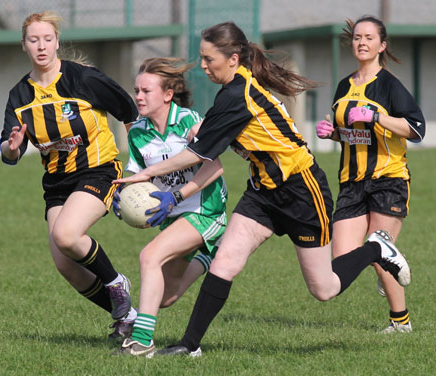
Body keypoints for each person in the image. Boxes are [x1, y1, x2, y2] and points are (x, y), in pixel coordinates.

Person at [114, 21, 411, 357]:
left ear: (233, 58)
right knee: (224, 261)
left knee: (324, 288)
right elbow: (205, 143)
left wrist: (145, 175)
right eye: (201, 58)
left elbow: (197, 154)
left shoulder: (237, 95)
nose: (203, 66)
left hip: (302, 189)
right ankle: (189, 345)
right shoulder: (230, 92)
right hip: (262, 191)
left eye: (209, 58)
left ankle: (377, 249)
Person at [0, 11, 139, 342]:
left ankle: (118, 283)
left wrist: (138, 165)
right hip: (57, 183)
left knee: (66, 234)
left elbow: (129, 112)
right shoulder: (19, 97)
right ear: (24, 45)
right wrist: (12, 146)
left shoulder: (83, 79)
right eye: (34, 40)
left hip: (98, 169)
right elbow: (10, 153)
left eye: (48, 39)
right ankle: (129, 316)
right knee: (65, 263)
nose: (42, 46)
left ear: (57, 42)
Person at [315, 16, 425, 333]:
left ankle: (400, 323)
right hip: (351, 183)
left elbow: (416, 130)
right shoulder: (344, 86)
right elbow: (348, 132)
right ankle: (386, 259)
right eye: (357, 37)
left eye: (369, 37)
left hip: (388, 179)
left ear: (382, 45)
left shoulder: (390, 85)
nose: (362, 42)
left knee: (377, 252)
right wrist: (332, 133)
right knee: (342, 262)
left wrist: (378, 115)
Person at [112, 57, 227, 357]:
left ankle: (141, 342)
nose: (138, 96)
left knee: (149, 256)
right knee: (164, 297)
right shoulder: (137, 132)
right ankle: (208, 257)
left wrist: (176, 197)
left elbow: (215, 169)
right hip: (173, 217)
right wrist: (122, 196)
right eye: (136, 90)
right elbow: (137, 177)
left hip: (205, 210)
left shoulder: (190, 121)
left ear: (167, 95)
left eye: (145, 91)